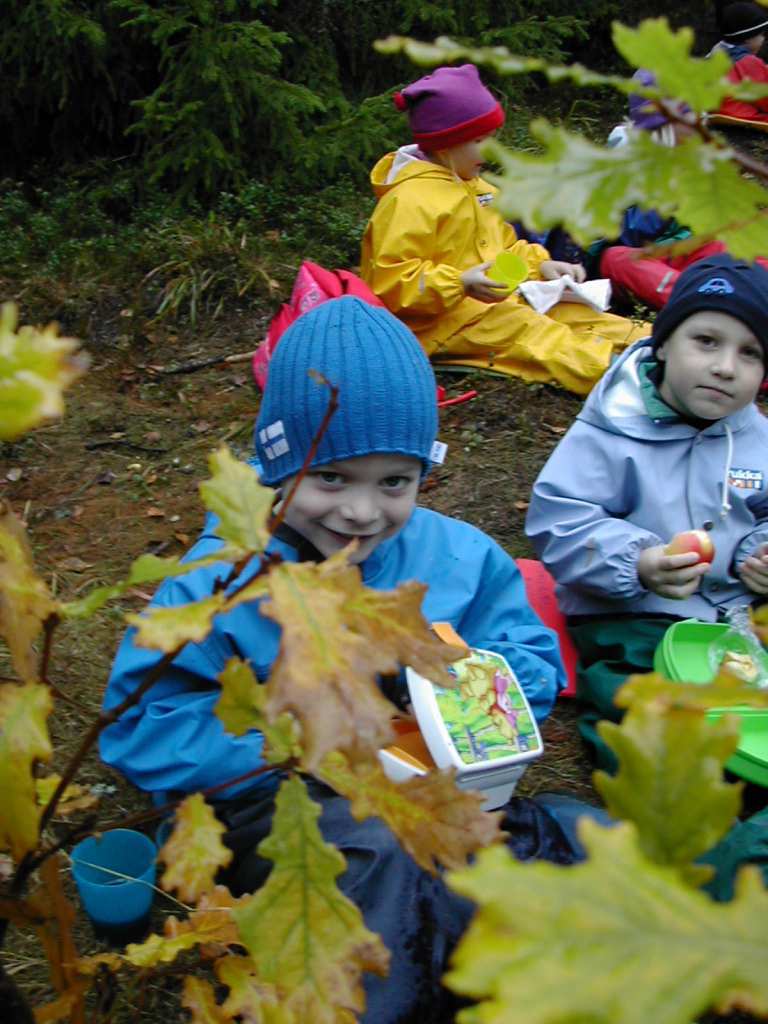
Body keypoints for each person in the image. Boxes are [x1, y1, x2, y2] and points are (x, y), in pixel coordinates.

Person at [100, 296, 595, 1023]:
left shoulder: (457, 557)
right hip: (276, 808)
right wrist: (297, 738)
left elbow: (528, 656)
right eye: (331, 478)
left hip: (432, 784)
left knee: (575, 836)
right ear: (278, 465)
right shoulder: (219, 584)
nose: (362, 513)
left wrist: (463, 690)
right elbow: (142, 727)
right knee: (373, 858)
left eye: (394, 482)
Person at [525, 254, 768, 770]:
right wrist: (636, 562)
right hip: (634, 612)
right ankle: (660, 773)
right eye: (706, 341)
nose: (726, 366)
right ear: (663, 342)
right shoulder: (612, 427)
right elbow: (560, 521)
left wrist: (758, 552)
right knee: (635, 693)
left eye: (750, 354)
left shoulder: (757, 438)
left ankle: (744, 756)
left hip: (737, 613)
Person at [360, 64, 649, 398]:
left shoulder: (479, 189)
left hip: (500, 301)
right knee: (535, 334)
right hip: (445, 323)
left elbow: (504, 249)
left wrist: (539, 265)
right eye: (480, 140)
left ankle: (664, 345)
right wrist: (460, 283)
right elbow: (391, 281)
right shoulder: (408, 201)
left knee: (575, 312)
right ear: (445, 144)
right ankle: (632, 382)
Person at [710, 2, 768, 124]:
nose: (764, 39)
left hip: (716, 111)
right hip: (744, 117)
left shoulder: (717, 51)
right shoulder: (748, 61)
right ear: (748, 37)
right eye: (762, 35)